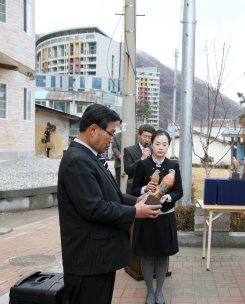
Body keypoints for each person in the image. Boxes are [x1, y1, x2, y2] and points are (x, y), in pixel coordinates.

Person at [57, 104, 162, 304]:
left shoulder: (90, 157)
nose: (112, 140)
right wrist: (134, 212)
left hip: (99, 259)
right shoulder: (77, 160)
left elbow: (110, 196)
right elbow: (95, 207)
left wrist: (137, 200)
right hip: (89, 262)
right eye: (111, 133)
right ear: (93, 129)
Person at [131, 130, 183, 304]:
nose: (161, 147)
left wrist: (168, 197)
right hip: (146, 216)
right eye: (157, 144)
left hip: (165, 216)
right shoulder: (142, 165)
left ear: (168, 145)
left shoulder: (173, 165)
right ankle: (149, 291)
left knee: (162, 255)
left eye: (165, 144)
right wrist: (144, 189)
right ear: (151, 144)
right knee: (146, 255)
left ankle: (159, 291)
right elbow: (132, 191)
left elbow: (179, 191)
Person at [124, 124, 155, 194]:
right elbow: (128, 170)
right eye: (144, 136)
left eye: (150, 137)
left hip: (151, 189)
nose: (147, 140)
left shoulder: (154, 151)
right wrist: (142, 159)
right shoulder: (129, 150)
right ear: (138, 135)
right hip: (134, 189)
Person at [112, 120, 122, 186]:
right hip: (119, 163)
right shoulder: (116, 136)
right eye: (121, 124)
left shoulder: (134, 136)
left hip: (131, 163)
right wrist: (119, 155)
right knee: (119, 182)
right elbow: (114, 148)